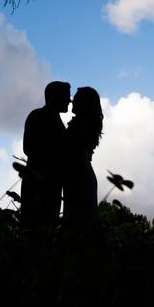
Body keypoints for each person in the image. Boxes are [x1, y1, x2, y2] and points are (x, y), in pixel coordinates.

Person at [20, 81, 70, 228]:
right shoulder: (37, 116)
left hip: (52, 187)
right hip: (38, 187)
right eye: (66, 96)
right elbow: (28, 148)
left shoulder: (55, 120)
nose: (69, 100)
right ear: (55, 97)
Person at [62, 86, 103, 226]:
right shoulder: (87, 125)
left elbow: (69, 154)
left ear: (84, 103)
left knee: (77, 220)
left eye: (76, 98)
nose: (72, 100)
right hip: (83, 175)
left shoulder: (78, 126)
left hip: (78, 176)